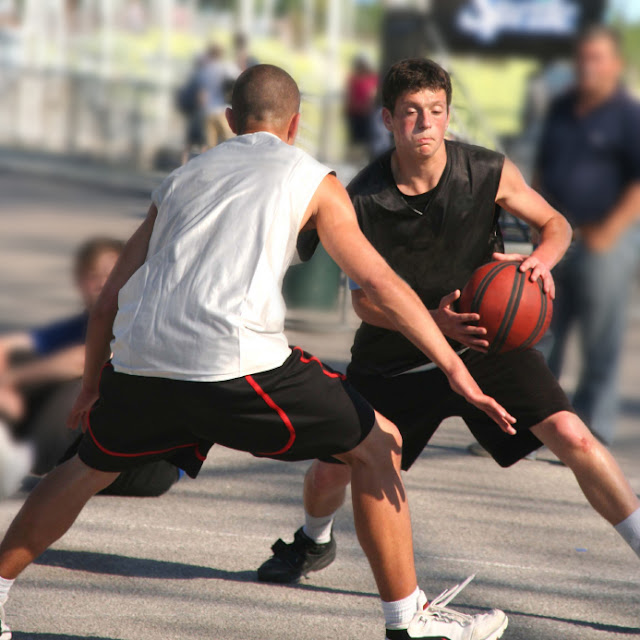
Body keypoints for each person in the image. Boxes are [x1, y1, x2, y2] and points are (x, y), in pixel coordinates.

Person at [0, 64, 516, 640]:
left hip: (142, 363)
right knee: (381, 444)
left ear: (229, 122)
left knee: (82, 469)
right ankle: (408, 619)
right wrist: (454, 368)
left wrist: (94, 386)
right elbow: (380, 286)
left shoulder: (181, 179)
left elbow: (107, 303)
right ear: (295, 124)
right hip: (236, 363)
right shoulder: (311, 177)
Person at [256, 58, 640, 595]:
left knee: (573, 435)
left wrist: (539, 262)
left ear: (448, 114)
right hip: (397, 352)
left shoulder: (487, 170)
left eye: (436, 111)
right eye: (412, 113)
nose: (426, 124)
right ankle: (314, 539)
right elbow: (365, 302)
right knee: (331, 470)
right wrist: (430, 321)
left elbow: (556, 224)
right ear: (389, 119)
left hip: (487, 341)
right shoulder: (361, 197)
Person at [0, 238, 182, 498]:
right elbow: (8, 346)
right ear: (79, 281)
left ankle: (20, 455)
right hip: (96, 450)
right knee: (27, 361)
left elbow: (85, 359)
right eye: (93, 276)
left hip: (150, 463)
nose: (101, 283)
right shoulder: (82, 325)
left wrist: (12, 379)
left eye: (111, 274)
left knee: (83, 381)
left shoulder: (139, 319)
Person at [536, 25, 640, 446]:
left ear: (616, 65)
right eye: (582, 58)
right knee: (541, 334)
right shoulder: (561, 108)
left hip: (606, 241)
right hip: (558, 239)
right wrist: (540, 218)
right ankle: (533, 427)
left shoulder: (627, 115)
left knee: (601, 336)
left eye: (597, 58)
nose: (587, 66)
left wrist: (610, 232)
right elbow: (543, 169)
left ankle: (592, 428)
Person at [196, 44, 239, 149]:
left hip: (208, 111)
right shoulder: (227, 67)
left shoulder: (205, 70)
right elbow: (239, 77)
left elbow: (201, 95)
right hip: (222, 110)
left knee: (210, 146)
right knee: (229, 144)